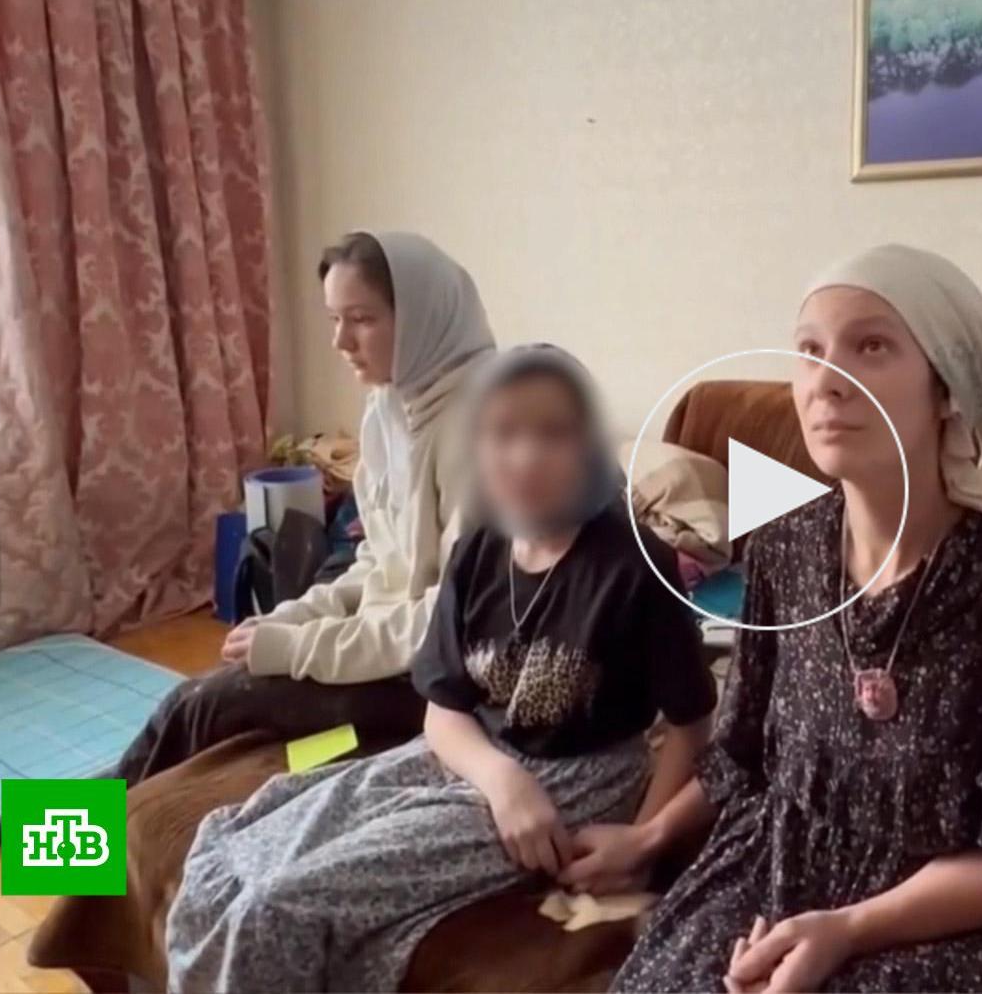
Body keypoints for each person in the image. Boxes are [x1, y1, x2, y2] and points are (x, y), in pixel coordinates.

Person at [596, 245, 982, 992]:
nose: (827, 381)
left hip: (946, 911)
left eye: (871, 346)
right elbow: (742, 754)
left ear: (947, 387)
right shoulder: (784, 547)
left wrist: (846, 930)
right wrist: (648, 838)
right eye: (809, 351)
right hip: (773, 866)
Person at [163, 345, 717, 991]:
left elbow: (693, 723)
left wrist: (640, 841)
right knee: (228, 843)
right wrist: (501, 779)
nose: (525, 456)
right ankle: (75, 826)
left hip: (575, 779)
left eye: (553, 434)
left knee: (277, 903)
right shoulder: (477, 540)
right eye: (504, 433)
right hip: (466, 753)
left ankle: (76, 826)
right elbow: (443, 702)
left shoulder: (633, 563)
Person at [116, 231, 492, 784]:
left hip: (433, 685)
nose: (341, 341)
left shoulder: (482, 429)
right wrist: (292, 617)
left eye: (361, 319)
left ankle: (56, 841)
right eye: (334, 319)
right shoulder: (391, 405)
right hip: (378, 649)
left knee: (200, 707)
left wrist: (297, 648)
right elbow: (377, 563)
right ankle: (53, 834)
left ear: (420, 317)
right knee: (194, 700)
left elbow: (446, 623)